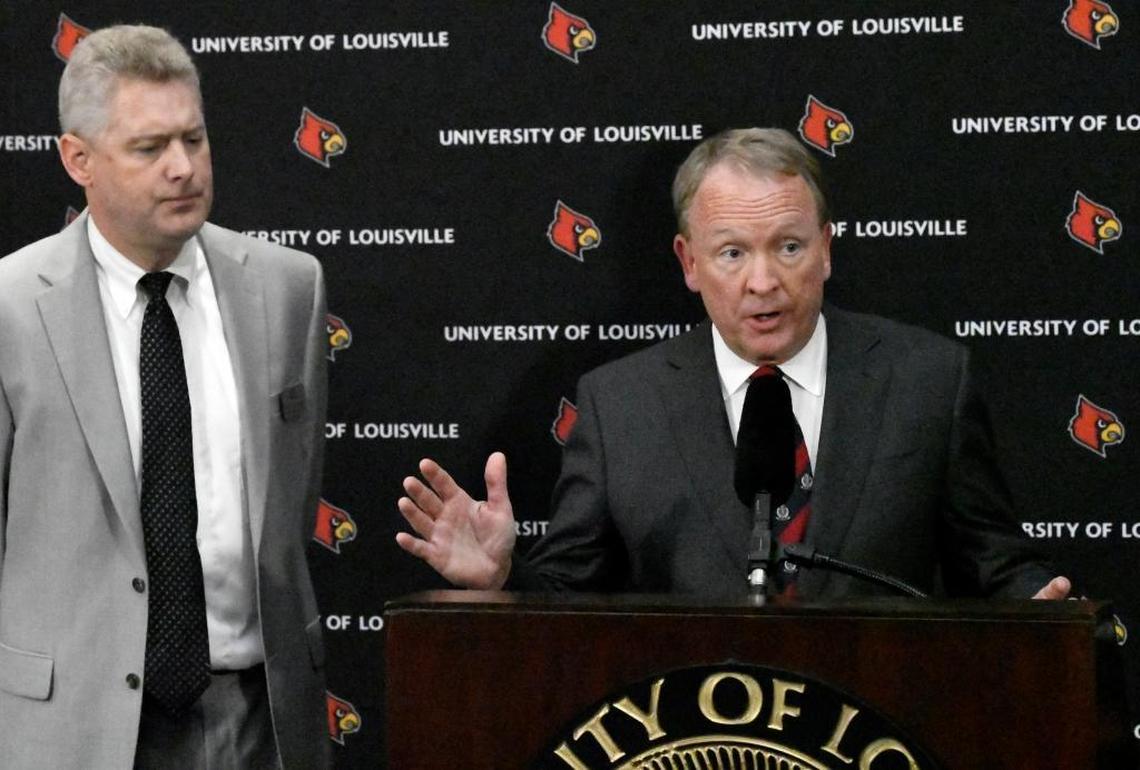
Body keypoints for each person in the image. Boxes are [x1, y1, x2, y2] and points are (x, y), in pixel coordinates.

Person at [397, 127, 1071, 602]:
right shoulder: (619, 404)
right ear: (689, 263)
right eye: (732, 253)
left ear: (827, 250)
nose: (762, 281)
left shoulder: (927, 381)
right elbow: (572, 596)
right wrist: (501, 577)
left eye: (788, 246)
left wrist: (1041, 608)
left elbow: (995, 564)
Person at [0, 25, 328, 769]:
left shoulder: (288, 289)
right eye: (149, 149)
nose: (183, 168)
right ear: (77, 159)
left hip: (258, 720)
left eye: (194, 139)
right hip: (70, 731)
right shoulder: (11, 307)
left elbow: (294, 501)